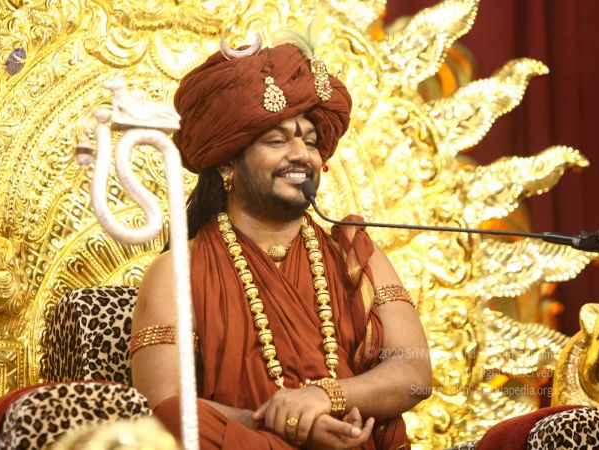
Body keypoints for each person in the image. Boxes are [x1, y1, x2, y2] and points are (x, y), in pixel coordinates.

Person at [129, 39, 432, 450]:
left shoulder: (355, 255)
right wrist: (289, 426)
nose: (301, 155)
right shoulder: (177, 271)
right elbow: (160, 407)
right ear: (227, 163)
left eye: (310, 141)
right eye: (277, 141)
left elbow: (415, 375)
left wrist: (326, 397)